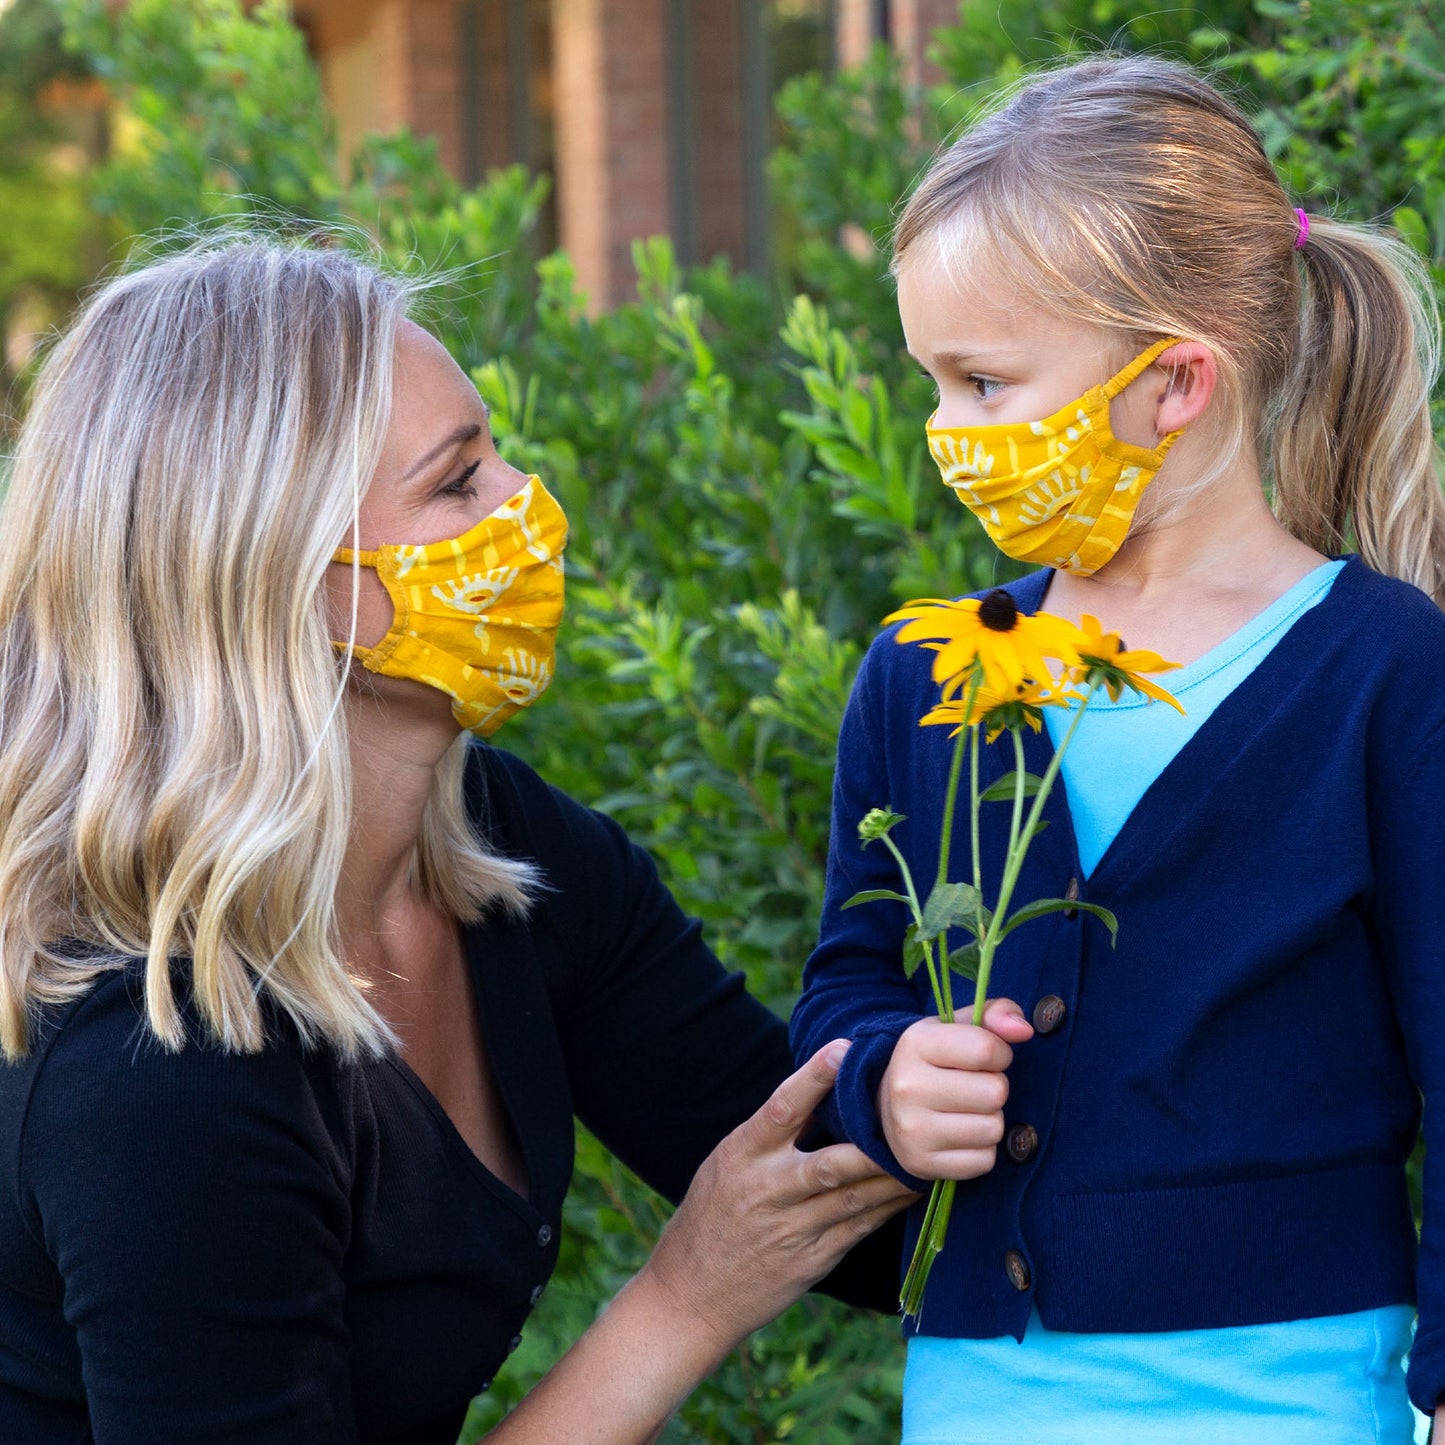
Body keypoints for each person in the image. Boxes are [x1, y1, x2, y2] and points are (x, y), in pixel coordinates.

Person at [0, 236, 1027, 1444]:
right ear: (291, 586)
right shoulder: (161, 1057)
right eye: (456, 482)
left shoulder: (502, 858)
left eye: (494, 454)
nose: (527, 503)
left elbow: (820, 1176)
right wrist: (682, 1299)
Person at [790, 53, 1445, 1444]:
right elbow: (846, 983)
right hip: (983, 1389)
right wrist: (884, 1080)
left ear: (1175, 385)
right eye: (931, 383)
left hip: (1296, 1388)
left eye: (982, 382)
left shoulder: (1388, 667)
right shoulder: (918, 677)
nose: (945, 434)